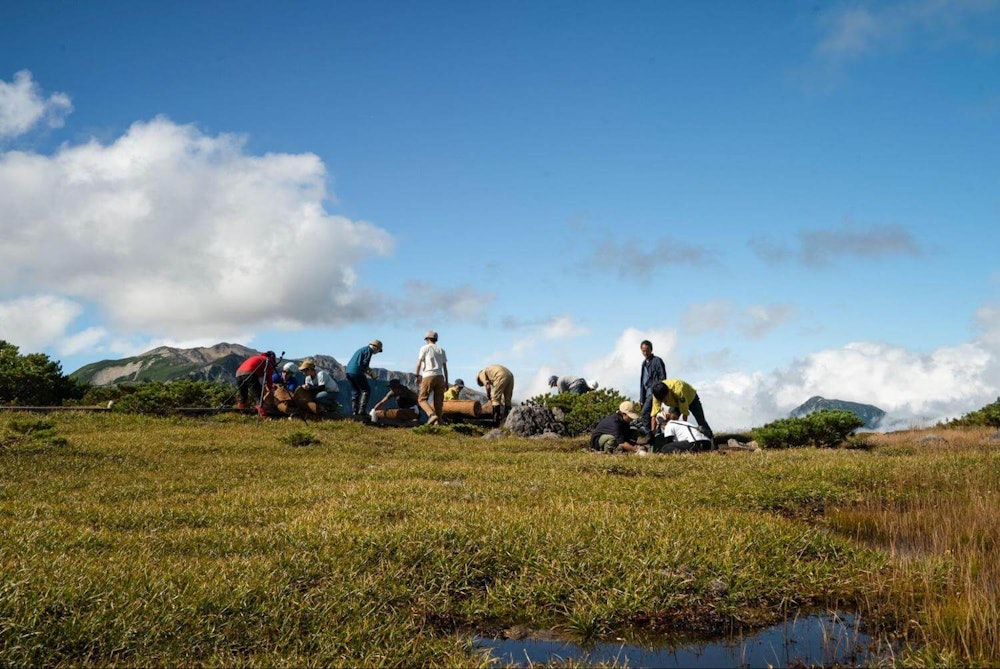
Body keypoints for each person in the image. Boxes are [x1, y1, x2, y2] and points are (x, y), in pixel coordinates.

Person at [415, 330, 448, 424]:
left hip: (428, 375)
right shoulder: (441, 350)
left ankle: (432, 415)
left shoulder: (424, 348)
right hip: (440, 377)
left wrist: (417, 375)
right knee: (438, 403)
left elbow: (418, 364)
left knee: (422, 399)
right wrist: (446, 381)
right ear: (436, 339)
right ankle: (439, 423)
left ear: (427, 339)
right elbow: (445, 368)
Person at [345, 339, 382, 418]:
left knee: (355, 391)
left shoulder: (361, 349)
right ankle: (362, 411)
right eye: (378, 350)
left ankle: (355, 412)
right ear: (375, 347)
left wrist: (369, 371)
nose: (377, 352)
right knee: (366, 390)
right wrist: (371, 374)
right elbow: (364, 364)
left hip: (348, 371)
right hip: (357, 372)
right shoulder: (369, 351)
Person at [639, 340, 667, 433]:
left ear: (651, 349)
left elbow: (663, 377)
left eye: (647, 350)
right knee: (652, 414)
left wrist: (659, 392)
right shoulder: (644, 364)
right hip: (647, 393)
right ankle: (656, 434)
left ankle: (649, 434)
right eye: (643, 351)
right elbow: (642, 382)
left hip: (654, 392)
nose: (645, 353)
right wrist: (641, 399)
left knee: (645, 413)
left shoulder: (657, 361)